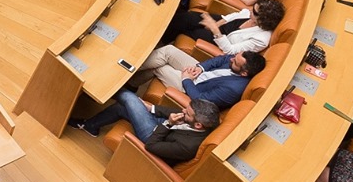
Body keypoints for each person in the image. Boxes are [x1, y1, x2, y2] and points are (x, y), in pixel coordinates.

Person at [79, 51, 267, 144]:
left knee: (157, 68)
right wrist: (200, 67)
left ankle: (117, 79)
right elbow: (222, 59)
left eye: (236, 63)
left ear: (244, 73)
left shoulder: (233, 89)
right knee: (167, 51)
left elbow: (198, 99)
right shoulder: (239, 60)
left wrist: (187, 80)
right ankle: (128, 77)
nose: (232, 60)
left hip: (191, 88)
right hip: (198, 74)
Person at [136, 0, 285, 89]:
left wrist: (214, 29)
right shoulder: (251, 15)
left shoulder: (261, 39)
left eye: (255, 12)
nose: (250, 11)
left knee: (187, 27)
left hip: (222, 40)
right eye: (253, 8)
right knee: (186, 17)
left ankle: (153, 42)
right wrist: (216, 23)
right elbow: (236, 15)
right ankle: (154, 37)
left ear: (264, 20)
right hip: (221, 27)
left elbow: (230, 51)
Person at [144, 99, 222, 166]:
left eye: (187, 113)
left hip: (154, 137)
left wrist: (168, 124)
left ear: (198, 125)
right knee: (141, 104)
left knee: (132, 99)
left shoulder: (188, 147)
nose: (183, 110)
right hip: (167, 128)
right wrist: (151, 108)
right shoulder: (202, 122)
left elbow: (151, 145)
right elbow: (179, 113)